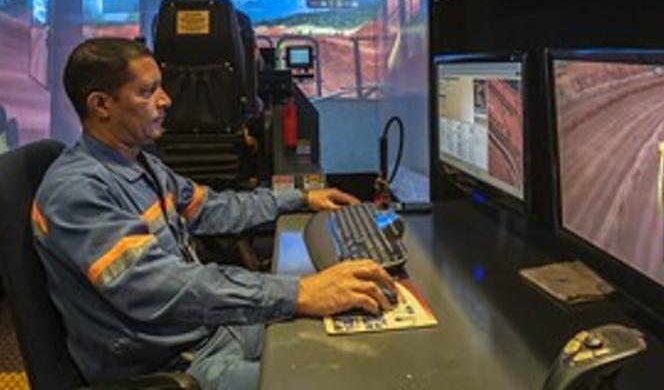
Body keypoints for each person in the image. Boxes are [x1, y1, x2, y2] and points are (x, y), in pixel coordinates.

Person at [32, 38, 396, 389]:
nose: (166, 100)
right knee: (335, 380)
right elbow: (158, 288)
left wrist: (301, 198)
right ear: (100, 105)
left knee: (366, 341)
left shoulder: (142, 164)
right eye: (147, 92)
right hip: (172, 366)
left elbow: (213, 207)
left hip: (209, 330)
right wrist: (298, 292)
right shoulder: (78, 191)